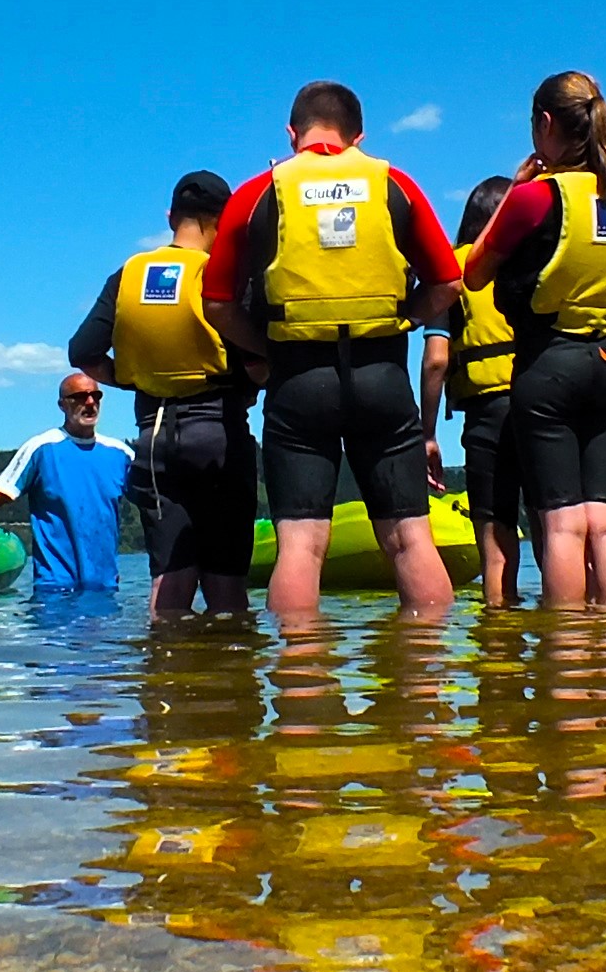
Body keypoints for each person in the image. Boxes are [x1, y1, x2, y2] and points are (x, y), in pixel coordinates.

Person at [204, 81, 465, 622]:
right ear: (358, 137)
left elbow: (218, 304)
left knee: (301, 546)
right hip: (381, 372)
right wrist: (403, 319)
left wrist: (266, 347)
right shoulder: (395, 184)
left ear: (292, 134)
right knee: (410, 538)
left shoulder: (255, 194)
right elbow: (447, 283)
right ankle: (426, 662)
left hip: (298, 379)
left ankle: (301, 668)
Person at [459, 72, 606, 607]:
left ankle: (567, 649)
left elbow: (474, 272)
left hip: (550, 363)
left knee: (563, 524)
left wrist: (514, 191)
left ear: (545, 124)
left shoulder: (535, 198)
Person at [69, 170, 259, 615]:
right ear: (223, 220)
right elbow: (256, 362)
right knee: (226, 587)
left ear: (171, 216)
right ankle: (229, 660)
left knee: (168, 584)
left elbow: (83, 352)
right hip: (218, 432)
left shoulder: (128, 275)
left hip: (154, 440)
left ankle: (165, 660)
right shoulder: (224, 275)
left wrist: (134, 378)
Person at [0, 373, 132, 592]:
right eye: (80, 396)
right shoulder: (42, 448)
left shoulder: (121, 455)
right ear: (62, 405)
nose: (90, 402)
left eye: (95, 396)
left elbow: (151, 506)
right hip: (55, 590)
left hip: (105, 589)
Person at [421, 175, 526, 606]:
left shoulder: (452, 271)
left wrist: (428, 433)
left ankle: (499, 635)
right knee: (560, 530)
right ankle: (575, 635)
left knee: (496, 541)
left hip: (488, 411)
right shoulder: (537, 262)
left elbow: (436, 359)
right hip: (548, 401)